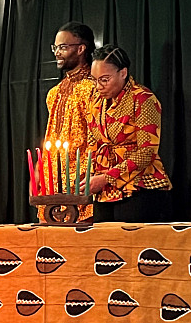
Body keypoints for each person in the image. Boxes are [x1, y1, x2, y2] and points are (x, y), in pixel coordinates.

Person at [86, 45, 172, 222]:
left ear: (123, 73)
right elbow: (92, 142)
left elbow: (147, 152)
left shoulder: (143, 99)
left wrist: (108, 177)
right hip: (105, 189)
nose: (98, 86)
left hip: (139, 185)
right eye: (94, 80)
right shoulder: (96, 101)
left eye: (104, 79)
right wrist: (88, 174)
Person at [40, 22, 97, 222]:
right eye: (55, 48)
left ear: (81, 49)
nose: (57, 52)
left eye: (63, 47)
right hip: (53, 182)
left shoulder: (94, 87)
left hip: (82, 181)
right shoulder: (53, 93)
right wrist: (41, 174)